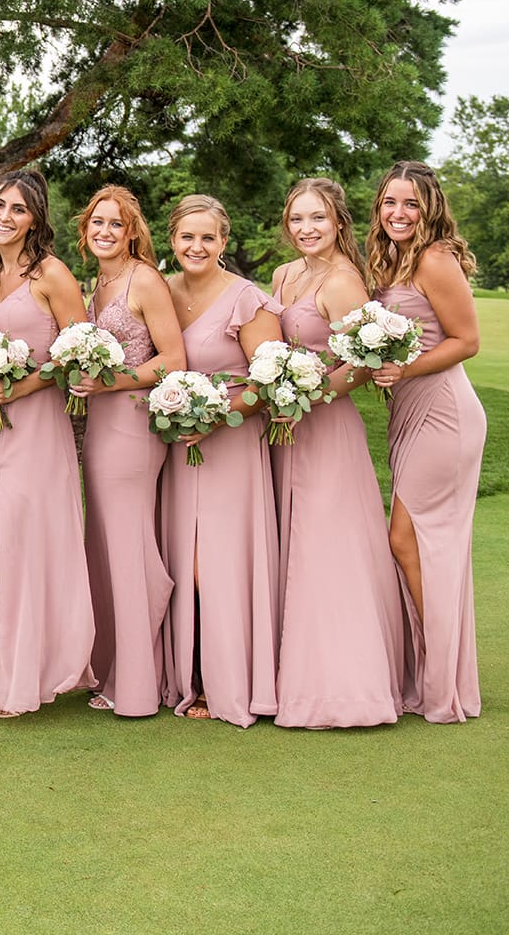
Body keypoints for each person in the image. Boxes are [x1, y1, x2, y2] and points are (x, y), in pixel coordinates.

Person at [269, 178, 406, 728]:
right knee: (292, 542)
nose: (306, 228)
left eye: (317, 218)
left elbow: (365, 364)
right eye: (297, 219)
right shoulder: (285, 275)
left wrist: (308, 396)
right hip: (283, 431)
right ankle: (284, 675)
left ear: (339, 222)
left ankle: (342, 689)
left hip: (325, 430)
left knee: (325, 548)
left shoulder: (345, 281)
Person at [0, 168, 94, 717]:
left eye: (18, 209)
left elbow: (79, 352)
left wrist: (20, 386)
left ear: (34, 219)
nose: (4, 215)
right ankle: (18, 664)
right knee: (5, 543)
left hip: (38, 424)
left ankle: (31, 665)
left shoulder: (51, 273)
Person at [367, 161, 485, 724]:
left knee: (407, 539)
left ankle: (442, 675)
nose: (399, 213)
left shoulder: (434, 259)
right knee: (414, 542)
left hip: (443, 412)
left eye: (411, 203)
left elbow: (467, 340)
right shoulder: (389, 258)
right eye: (390, 202)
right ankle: (434, 669)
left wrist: (405, 369)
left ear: (430, 208)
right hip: (409, 413)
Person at [159, 194, 283, 727]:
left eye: (208, 237)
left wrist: (218, 416)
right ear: (172, 239)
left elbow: (269, 380)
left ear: (223, 242)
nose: (197, 246)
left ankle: (223, 683)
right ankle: (185, 675)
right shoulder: (163, 291)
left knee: (217, 566)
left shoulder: (247, 300)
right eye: (187, 236)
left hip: (230, 445)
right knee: (181, 562)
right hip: (177, 449)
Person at [68, 186, 184, 718]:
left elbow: (173, 359)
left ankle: (136, 685)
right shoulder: (99, 283)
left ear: (132, 231)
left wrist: (110, 382)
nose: (105, 231)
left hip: (133, 427)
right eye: (98, 222)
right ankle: (113, 664)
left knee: (129, 549)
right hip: (101, 426)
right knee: (109, 547)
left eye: (116, 224)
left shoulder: (144, 279)